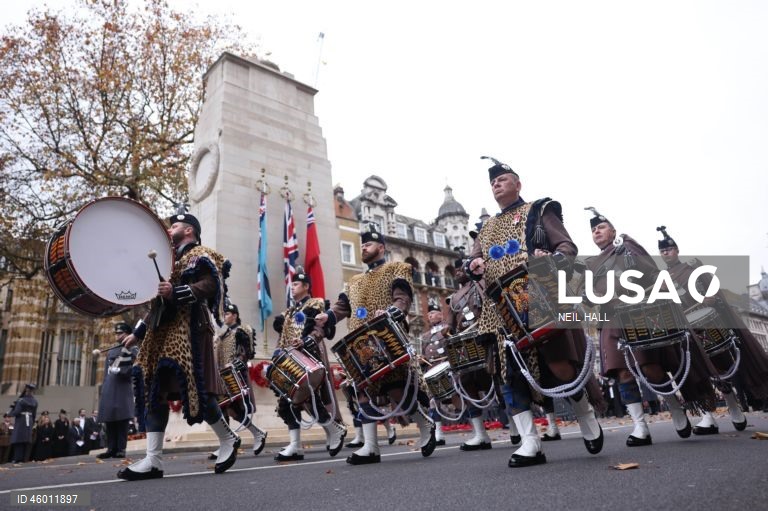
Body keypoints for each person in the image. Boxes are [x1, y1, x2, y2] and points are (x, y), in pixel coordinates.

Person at [466, 159, 603, 468]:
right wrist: (472, 265)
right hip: (500, 310)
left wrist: (553, 257)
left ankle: (584, 414)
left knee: (560, 366)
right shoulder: (485, 229)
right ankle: (530, 443)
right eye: (492, 182)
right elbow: (471, 261)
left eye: (502, 179)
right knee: (509, 375)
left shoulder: (539, 211)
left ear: (518, 183)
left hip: (540, 298)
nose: (496, 185)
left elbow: (567, 247)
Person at [117, 211, 241, 480]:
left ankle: (228, 438)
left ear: (188, 230)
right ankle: (153, 460)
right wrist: (137, 333)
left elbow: (210, 285)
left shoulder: (203, 254)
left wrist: (176, 292)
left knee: (198, 391)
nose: (169, 229)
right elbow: (157, 304)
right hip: (162, 335)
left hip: (191, 332)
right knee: (154, 391)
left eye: (174, 225)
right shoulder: (167, 261)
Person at [585, 210, 716, 447]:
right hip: (610, 318)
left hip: (638, 312)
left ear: (612, 231)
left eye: (601, 227)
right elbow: (587, 296)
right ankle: (640, 427)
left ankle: (675, 407)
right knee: (621, 371)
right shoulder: (591, 263)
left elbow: (653, 274)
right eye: (593, 230)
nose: (596, 232)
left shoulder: (627, 246)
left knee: (650, 367)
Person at [315, 224, 436, 465]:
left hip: (386, 337)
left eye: (368, 244)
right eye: (361, 245)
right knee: (362, 390)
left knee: (396, 388)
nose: (363, 248)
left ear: (381, 247)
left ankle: (425, 424)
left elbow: (402, 298)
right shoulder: (354, 281)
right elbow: (342, 307)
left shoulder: (397, 268)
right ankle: (370, 446)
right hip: (359, 343)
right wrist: (328, 316)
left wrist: (393, 310)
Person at [657, 226, 768, 433]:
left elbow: (712, 288)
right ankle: (708, 417)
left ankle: (734, 408)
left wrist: (711, 298)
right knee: (696, 373)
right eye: (663, 251)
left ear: (677, 250)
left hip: (705, 324)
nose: (666, 253)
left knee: (719, 368)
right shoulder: (662, 278)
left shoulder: (693, 267)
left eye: (669, 249)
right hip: (685, 330)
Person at [271, 270, 346, 461]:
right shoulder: (289, 311)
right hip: (289, 360)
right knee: (287, 402)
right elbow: (282, 334)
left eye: (296, 284)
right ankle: (296, 445)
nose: (292, 287)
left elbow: (320, 329)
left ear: (305, 286)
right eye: (292, 284)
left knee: (310, 399)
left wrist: (308, 340)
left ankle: (333, 429)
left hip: (308, 356)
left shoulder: (316, 304)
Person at [209, 302, 267, 459]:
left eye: (227, 314)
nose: (225, 317)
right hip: (223, 378)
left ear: (234, 315)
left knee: (235, 410)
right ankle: (226, 442)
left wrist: (234, 364)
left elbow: (245, 353)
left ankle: (257, 433)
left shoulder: (242, 331)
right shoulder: (222, 336)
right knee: (223, 410)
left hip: (236, 376)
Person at [97, 323, 139, 459]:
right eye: (116, 333)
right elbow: (105, 373)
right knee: (109, 419)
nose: (117, 336)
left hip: (122, 387)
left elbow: (134, 370)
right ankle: (111, 448)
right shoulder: (111, 352)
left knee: (122, 420)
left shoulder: (132, 349)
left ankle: (121, 448)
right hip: (110, 386)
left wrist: (121, 371)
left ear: (127, 334)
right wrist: (104, 388)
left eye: (120, 333)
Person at [420, 301, 449, 446]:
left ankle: (478, 431)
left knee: (459, 398)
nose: (430, 315)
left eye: (433, 313)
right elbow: (423, 354)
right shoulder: (425, 336)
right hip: (432, 370)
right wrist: (421, 360)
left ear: (441, 314)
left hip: (447, 366)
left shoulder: (447, 329)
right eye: (429, 314)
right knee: (433, 402)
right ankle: (439, 433)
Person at [10, 384, 38, 463]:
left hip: (21, 420)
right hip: (29, 421)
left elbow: (17, 411)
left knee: (18, 440)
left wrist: (9, 413)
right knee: (26, 440)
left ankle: (17, 458)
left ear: (26, 391)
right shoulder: (35, 401)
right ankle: (24, 458)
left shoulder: (21, 400)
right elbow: (34, 414)